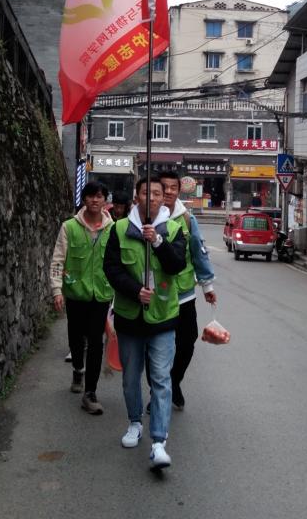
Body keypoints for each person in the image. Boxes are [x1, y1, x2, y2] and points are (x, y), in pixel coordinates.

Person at [103, 176, 187, 471]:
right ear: (136, 196)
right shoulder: (120, 229)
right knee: (130, 377)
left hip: (162, 317)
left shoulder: (174, 229)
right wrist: (134, 290)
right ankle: (135, 422)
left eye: (156, 193)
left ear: (164, 198)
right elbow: (111, 268)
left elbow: (177, 265)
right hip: (130, 316)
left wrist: (158, 242)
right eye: (145, 192)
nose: (151, 197)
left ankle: (159, 441)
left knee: (161, 378)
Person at [50, 182, 114, 414]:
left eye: (99, 196)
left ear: (105, 201)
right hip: (76, 293)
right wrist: (57, 290)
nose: (95, 200)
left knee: (96, 341)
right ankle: (78, 369)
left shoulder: (113, 229)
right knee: (76, 338)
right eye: (91, 196)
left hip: (101, 294)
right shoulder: (69, 227)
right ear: (84, 199)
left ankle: (90, 392)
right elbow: (58, 260)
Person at [158, 170, 217, 410]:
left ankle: (174, 381)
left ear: (179, 191)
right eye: (165, 187)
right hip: (157, 295)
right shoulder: (148, 218)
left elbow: (198, 251)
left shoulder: (187, 219)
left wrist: (207, 286)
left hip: (184, 294)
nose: (169, 192)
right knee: (158, 347)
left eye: (173, 188)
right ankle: (159, 393)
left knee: (187, 341)